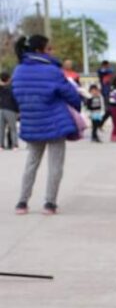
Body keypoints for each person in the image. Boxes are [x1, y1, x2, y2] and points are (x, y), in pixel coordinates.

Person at [11, 34, 82, 215]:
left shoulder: (18, 70)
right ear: (39, 50)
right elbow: (70, 93)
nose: (52, 52)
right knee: (55, 164)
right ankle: (49, 203)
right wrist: (77, 107)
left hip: (32, 122)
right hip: (55, 122)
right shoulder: (52, 70)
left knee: (31, 163)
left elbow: (16, 95)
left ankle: (22, 202)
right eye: (48, 48)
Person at [0, 71, 18, 150]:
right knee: (13, 128)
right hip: (10, 109)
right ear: (9, 78)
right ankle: (15, 145)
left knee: (1, 129)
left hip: (1, 109)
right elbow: (15, 99)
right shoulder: (12, 87)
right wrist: (18, 110)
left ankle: (1, 145)